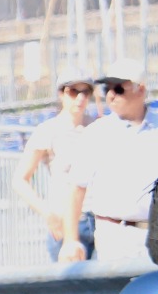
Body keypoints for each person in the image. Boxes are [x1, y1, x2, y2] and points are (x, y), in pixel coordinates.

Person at [60, 59, 158, 263]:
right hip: (114, 237)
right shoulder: (97, 133)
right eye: (107, 89)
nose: (111, 95)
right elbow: (76, 190)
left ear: (140, 90)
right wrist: (71, 240)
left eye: (119, 88)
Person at [13, 69, 95, 261]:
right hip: (66, 222)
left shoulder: (97, 127)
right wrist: (48, 213)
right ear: (62, 94)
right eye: (73, 91)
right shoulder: (49, 130)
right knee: (71, 289)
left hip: (99, 219)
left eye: (86, 92)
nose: (80, 98)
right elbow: (19, 180)